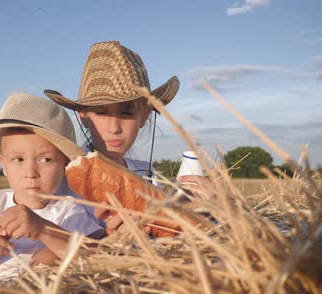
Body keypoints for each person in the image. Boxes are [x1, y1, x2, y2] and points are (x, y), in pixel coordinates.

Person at [45, 40, 215, 237]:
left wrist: (187, 212)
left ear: (144, 116)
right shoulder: (62, 177)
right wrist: (107, 240)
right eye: (102, 113)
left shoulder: (146, 173)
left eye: (126, 114)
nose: (114, 128)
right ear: (83, 116)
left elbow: (162, 236)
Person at [0, 93, 103, 280]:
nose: (30, 172)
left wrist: (43, 230)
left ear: (64, 165)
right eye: (18, 159)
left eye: (46, 160)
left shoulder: (69, 211)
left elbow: (94, 260)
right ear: (3, 164)